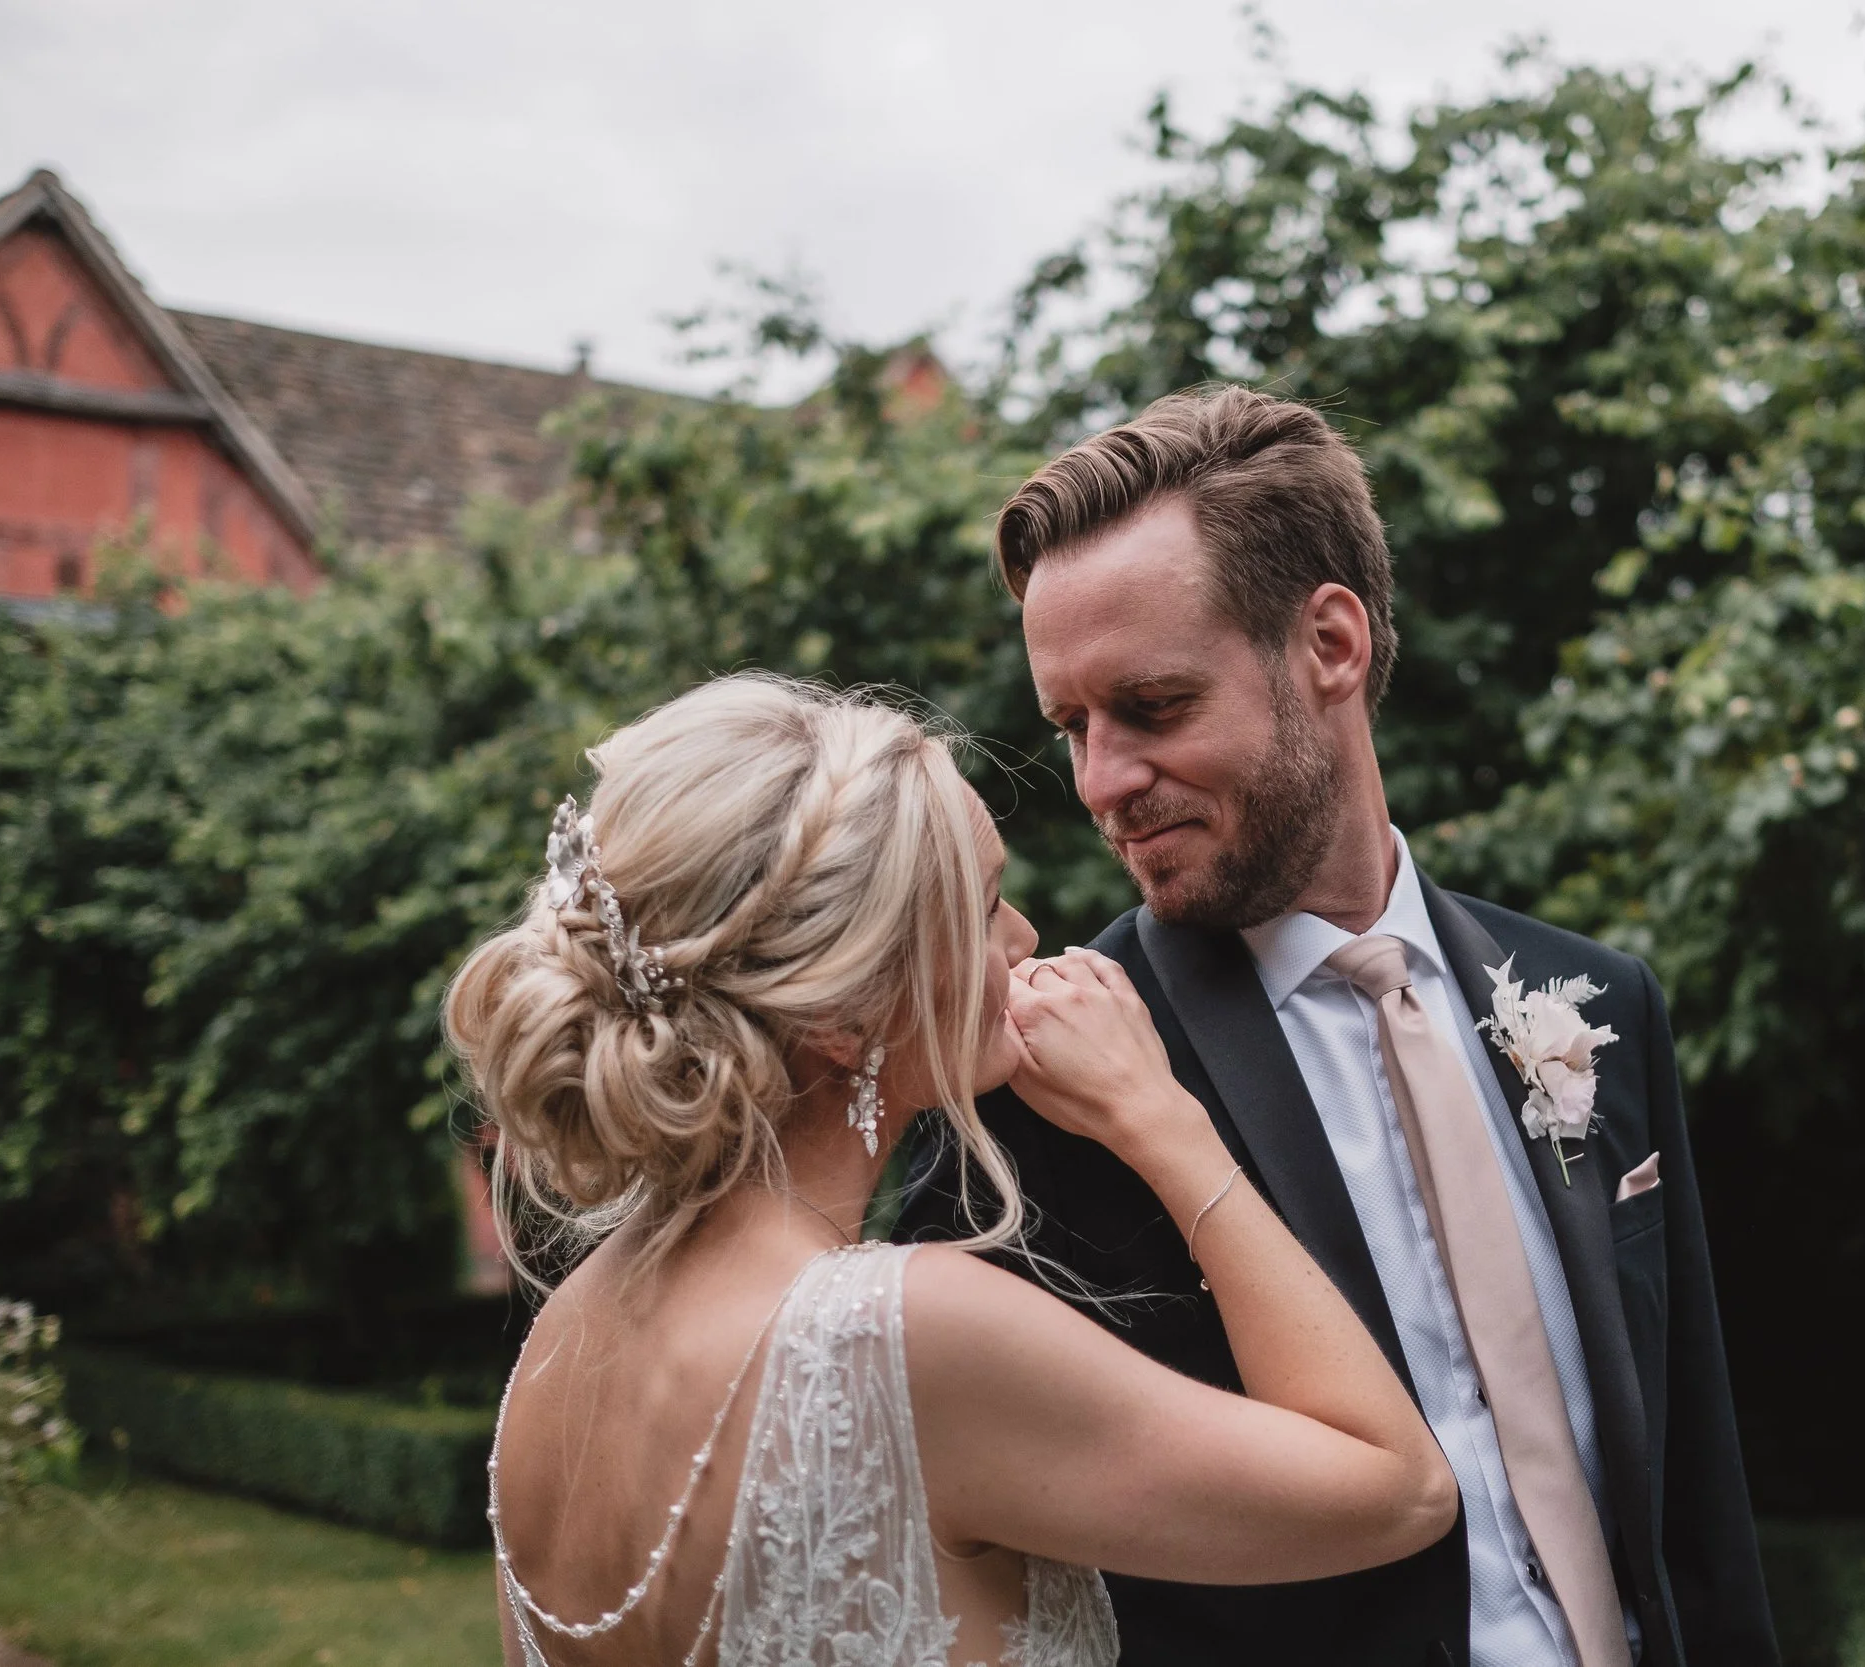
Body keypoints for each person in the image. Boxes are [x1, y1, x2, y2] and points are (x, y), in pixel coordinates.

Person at [900, 387, 1779, 1667]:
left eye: (1152, 705)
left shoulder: (1598, 999)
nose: (1100, 781)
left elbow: (1694, 1474)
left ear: (1329, 642)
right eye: (1071, 726)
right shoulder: (1036, 1075)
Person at [447, 675, 1458, 1667]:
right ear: (843, 1016)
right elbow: (1398, 1489)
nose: (1022, 937)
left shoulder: (560, 1344)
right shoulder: (898, 1333)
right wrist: (1165, 1127)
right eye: (982, 908)